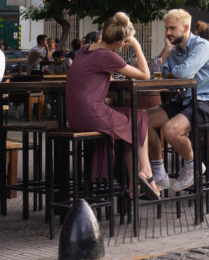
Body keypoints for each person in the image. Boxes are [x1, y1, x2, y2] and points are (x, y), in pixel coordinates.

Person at [65, 13, 159, 198]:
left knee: (137, 118)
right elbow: (145, 75)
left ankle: (136, 185)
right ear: (120, 43)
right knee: (140, 118)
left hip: (75, 115)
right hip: (90, 115)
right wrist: (138, 46)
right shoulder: (107, 55)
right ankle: (146, 172)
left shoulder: (86, 49)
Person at [147, 9, 209, 192]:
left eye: (172, 28)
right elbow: (152, 76)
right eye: (167, 28)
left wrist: (167, 75)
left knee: (170, 130)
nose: (168, 33)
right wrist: (166, 51)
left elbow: (184, 73)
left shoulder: (202, 46)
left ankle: (193, 165)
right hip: (185, 99)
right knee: (143, 120)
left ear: (186, 27)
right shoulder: (173, 50)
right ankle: (159, 173)